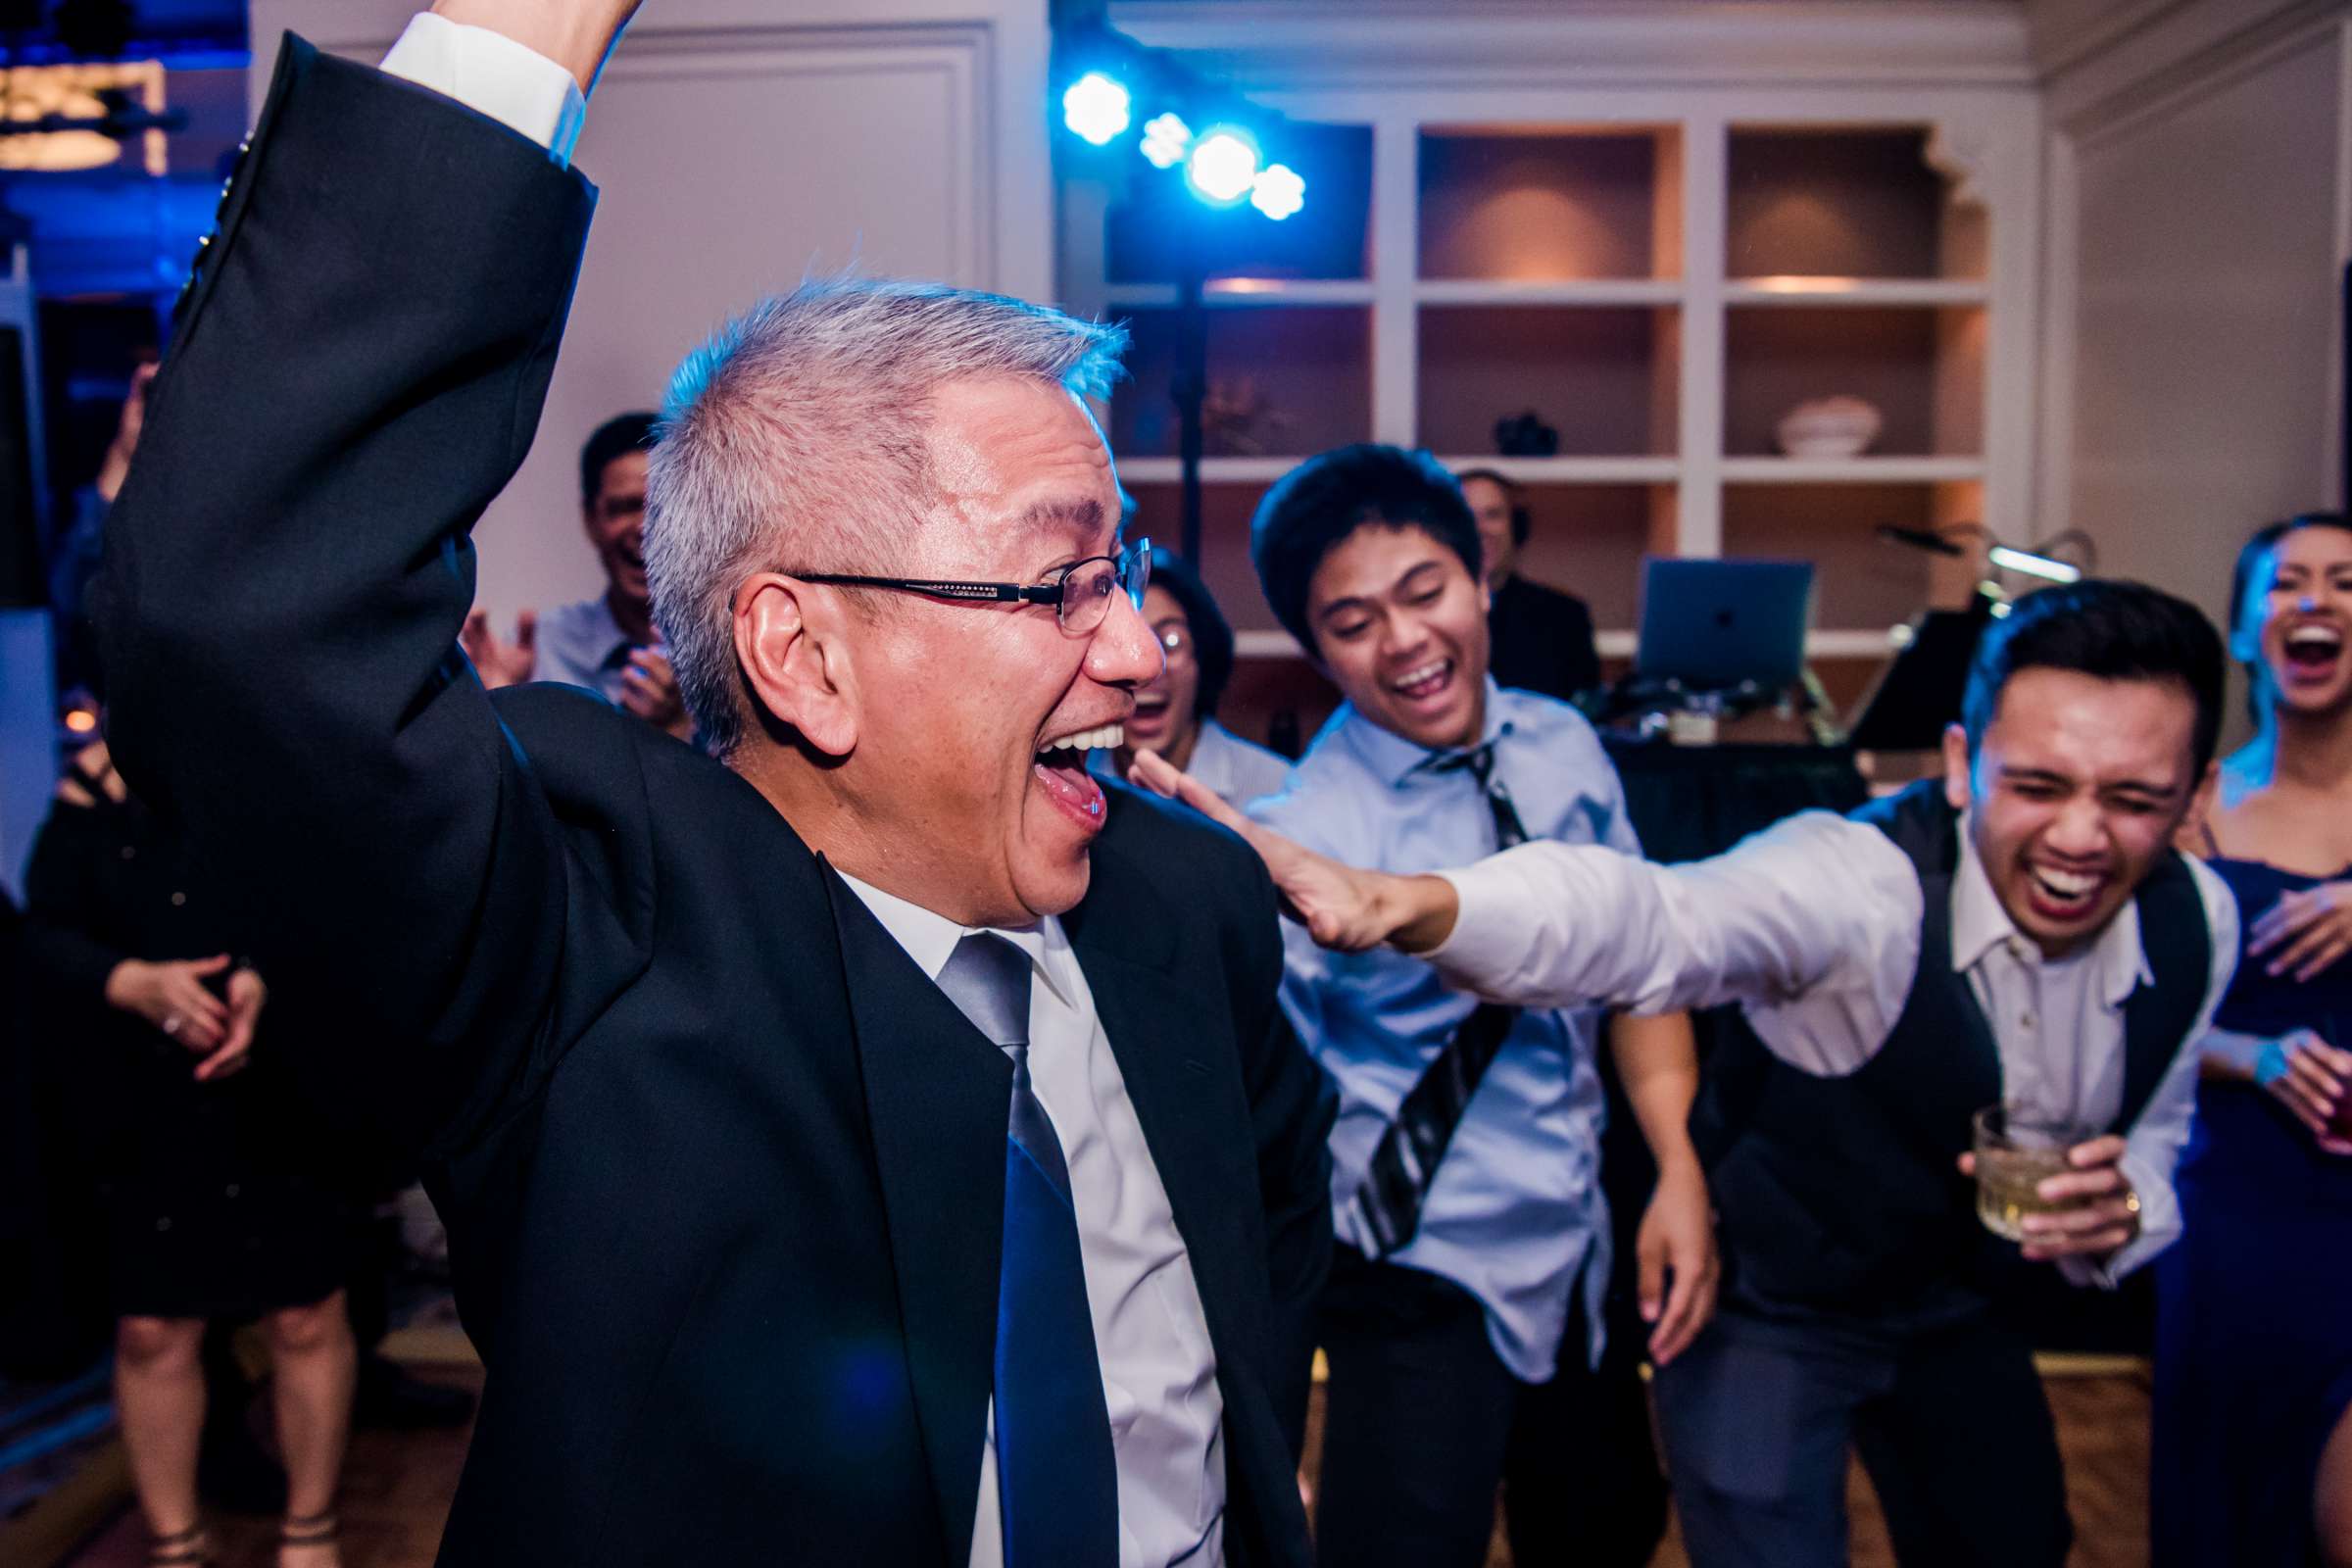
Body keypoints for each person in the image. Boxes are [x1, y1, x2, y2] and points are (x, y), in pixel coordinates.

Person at [97, 8, 1332, 1566]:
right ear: (801, 657)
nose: (1148, 648)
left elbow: (1270, 1241)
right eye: (1063, 584)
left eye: (1130, 570)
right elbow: (241, 613)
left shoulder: (1192, 901)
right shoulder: (588, 938)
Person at [1140, 577, 2240, 1568]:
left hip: (1966, 1311)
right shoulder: (1860, 885)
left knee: (2017, 1539)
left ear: (2196, 793)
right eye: (2040, 785)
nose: (2082, 838)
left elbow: (2158, 1133)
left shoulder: (2203, 925)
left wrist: (2128, 1207)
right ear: (1961, 764)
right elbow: (1646, 917)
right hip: (1776, 1303)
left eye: (2135, 799)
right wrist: (1406, 902)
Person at [1242, 444, 1714, 1568]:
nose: (1404, 639)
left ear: (1480, 579)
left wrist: (1678, 1167)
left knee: (1603, 1530)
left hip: (1581, 1241)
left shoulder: (1566, 747)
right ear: (1316, 650)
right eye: (1352, 622)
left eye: (1425, 592)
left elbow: (1639, 965)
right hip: (1414, 1268)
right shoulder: (1300, 832)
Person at [24, 742, 355, 1568]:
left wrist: (259, 980)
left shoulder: (277, 765)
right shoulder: (86, 798)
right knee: (150, 1328)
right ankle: (176, 1544)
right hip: (144, 1097)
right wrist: (125, 980)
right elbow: (41, 936)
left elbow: (335, 908)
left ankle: (310, 1532)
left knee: (307, 1311)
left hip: (279, 1080)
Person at [2151, 512, 2352, 1568]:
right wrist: (2258, 1058)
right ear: (2242, 631)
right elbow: (2127, 1028)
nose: (2315, 601)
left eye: (2345, 580)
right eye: (2287, 584)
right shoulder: (2191, 813)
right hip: (2241, 1215)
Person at [459, 411, 693, 740]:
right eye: (623, 507)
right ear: (591, 521)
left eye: (661, 508)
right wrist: (501, 710)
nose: (643, 528)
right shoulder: (543, 654)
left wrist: (680, 729)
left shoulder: (729, 653)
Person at [1100, 546, 1291, 808]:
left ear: (1202, 655)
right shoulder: (1076, 778)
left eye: (1171, 641)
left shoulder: (1274, 789)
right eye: (1121, 642)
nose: (1146, 668)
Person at [1455, 467, 1599, 704]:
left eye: (1493, 515)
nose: (1481, 530)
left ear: (1517, 528)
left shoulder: (1565, 616)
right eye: (1468, 517)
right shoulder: (1425, 620)